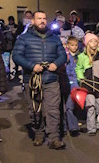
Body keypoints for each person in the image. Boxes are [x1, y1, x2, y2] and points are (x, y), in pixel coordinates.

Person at [12, 10, 67, 149]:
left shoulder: (54, 38)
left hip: (51, 80)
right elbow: (16, 56)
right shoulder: (23, 38)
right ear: (33, 21)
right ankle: (39, 133)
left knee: (53, 110)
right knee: (35, 110)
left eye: (44, 18)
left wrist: (56, 63)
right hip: (32, 80)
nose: (42, 21)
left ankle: (54, 137)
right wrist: (32, 66)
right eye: (39, 18)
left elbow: (62, 56)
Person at [75, 32, 99, 135]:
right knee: (90, 107)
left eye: (95, 41)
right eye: (91, 41)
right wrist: (81, 78)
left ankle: (98, 125)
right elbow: (79, 68)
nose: (94, 43)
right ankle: (91, 128)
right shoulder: (82, 56)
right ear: (87, 43)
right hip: (88, 86)